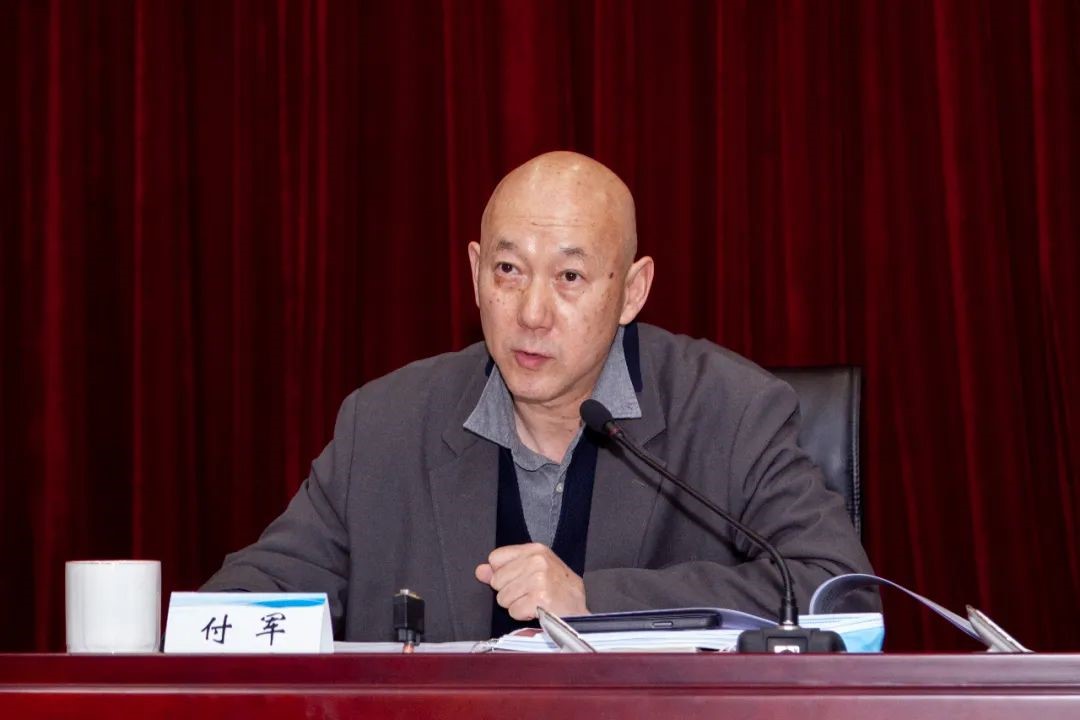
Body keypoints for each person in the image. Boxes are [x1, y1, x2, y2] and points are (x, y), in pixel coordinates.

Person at [202, 151, 876, 641]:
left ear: (632, 291)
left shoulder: (730, 411)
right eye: (508, 270)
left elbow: (840, 594)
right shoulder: (385, 424)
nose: (531, 313)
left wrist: (595, 599)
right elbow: (258, 596)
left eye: (570, 277)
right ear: (474, 273)